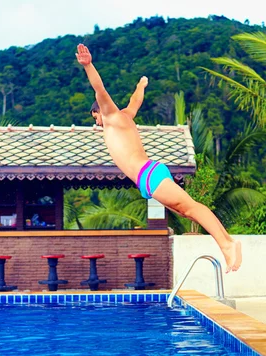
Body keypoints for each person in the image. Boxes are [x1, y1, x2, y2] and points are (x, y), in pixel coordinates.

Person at [75, 43, 242, 272]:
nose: (96, 123)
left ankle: (227, 244)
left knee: (191, 208)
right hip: (147, 178)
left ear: (100, 111)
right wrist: (141, 85)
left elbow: (100, 90)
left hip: (148, 173)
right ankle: (227, 243)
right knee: (185, 210)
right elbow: (136, 101)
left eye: (95, 117)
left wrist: (88, 66)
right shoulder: (126, 117)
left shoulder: (112, 116)